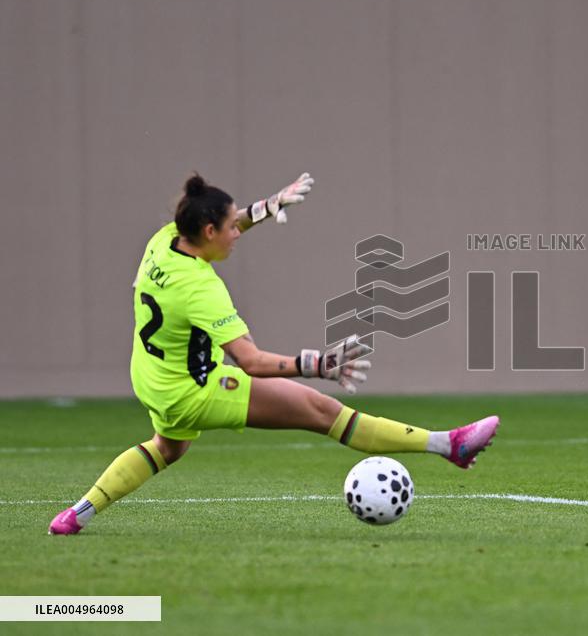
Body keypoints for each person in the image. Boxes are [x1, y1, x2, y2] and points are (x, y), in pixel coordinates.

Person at [49, 173, 499, 535]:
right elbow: (250, 361)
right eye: (229, 228)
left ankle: (78, 513)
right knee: (323, 411)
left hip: (151, 376)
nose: (236, 234)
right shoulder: (202, 288)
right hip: (193, 389)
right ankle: (448, 444)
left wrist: (265, 208)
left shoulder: (164, 240)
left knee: (167, 447)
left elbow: (232, 221)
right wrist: (316, 364)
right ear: (207, 231)